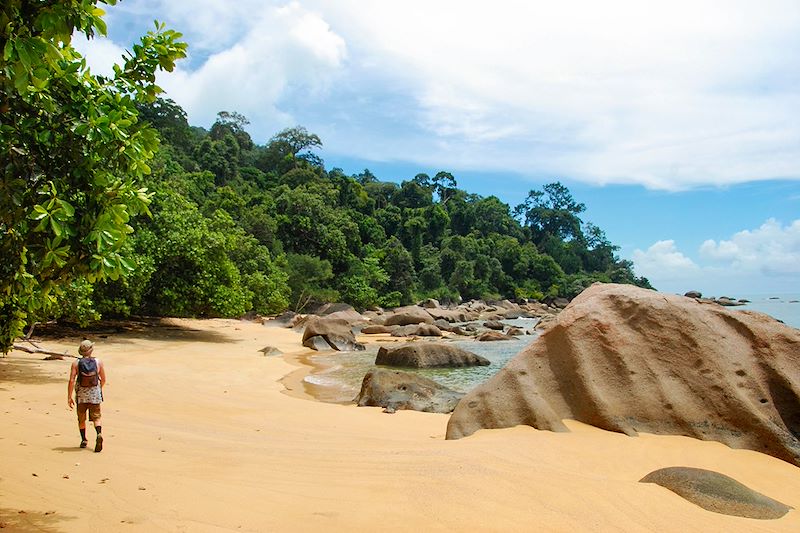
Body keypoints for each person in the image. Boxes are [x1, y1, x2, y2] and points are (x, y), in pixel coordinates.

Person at [67, 339, 106, 452]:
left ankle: (84, 440)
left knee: (81, 419)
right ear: (91, 350)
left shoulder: (76, 363)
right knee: (96, 417)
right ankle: (98, 434)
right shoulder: (98, 362)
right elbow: (103, 379)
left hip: (81, 395)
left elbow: (71, 380)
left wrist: (69, 396)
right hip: (95, 395)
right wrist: (98, 390)